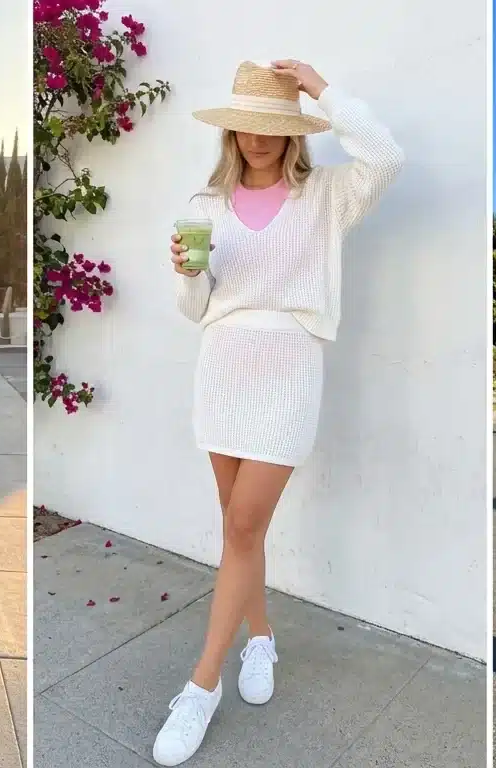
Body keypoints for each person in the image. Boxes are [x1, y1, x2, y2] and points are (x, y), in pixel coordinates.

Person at [154, 59, 403, 766]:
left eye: (272, 126)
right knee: (242, 527)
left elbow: (387, 154)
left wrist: (323, 88)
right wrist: (188, 274)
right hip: (223, 367)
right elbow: (195, 310)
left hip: (289, 367)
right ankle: (260, 640)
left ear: (294, 133)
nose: (256, 139)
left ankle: (202, 686)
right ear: (229, 130)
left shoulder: (327, 194)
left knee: (240, 525)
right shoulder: (203, 205)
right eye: (245, 125)